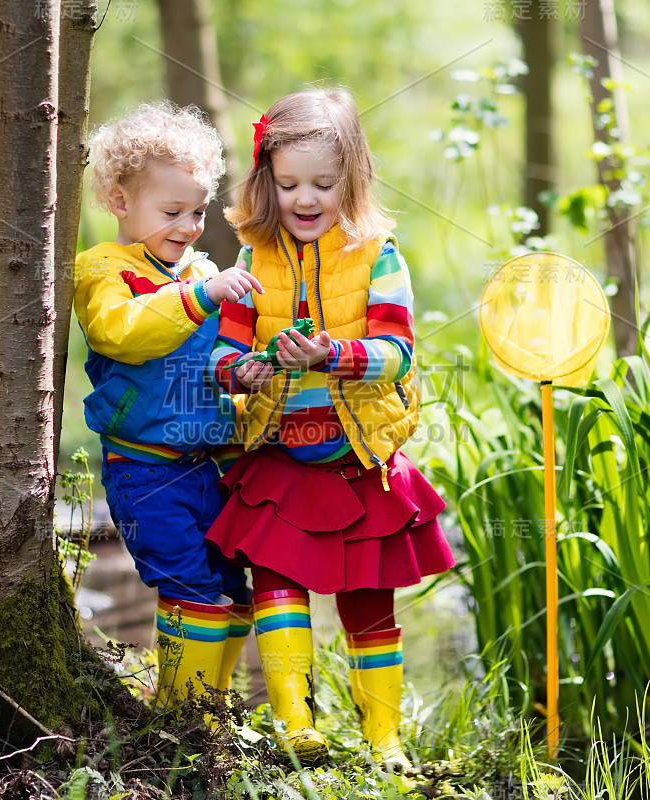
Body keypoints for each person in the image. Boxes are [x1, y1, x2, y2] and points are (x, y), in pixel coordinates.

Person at [206, 87, 455, 769]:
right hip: (281, 461)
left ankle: (385, 739)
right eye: (288, 184)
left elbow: (397, 353)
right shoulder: (255, 261)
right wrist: (245, 372)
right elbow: (223, 355)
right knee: (275, 583)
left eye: (323, 183)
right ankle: (297, 724)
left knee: (369, 601)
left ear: (354, 179)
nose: (305, 199)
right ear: (266, 182)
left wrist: (333, 355)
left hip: (362, 458)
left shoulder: (379, 255)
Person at [73, 102, 263, 711]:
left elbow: (218, 357)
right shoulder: (107, 270)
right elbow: (121, 334)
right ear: (120, 201)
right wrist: (201, 294)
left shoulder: (204, 270)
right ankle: (185, 717)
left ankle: (203, 702)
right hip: (145, 469)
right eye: (171, 211)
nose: (187, 226)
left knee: (233, 588)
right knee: (189, 584)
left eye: (198, 211)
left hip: (209, 463)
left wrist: (246, 373)